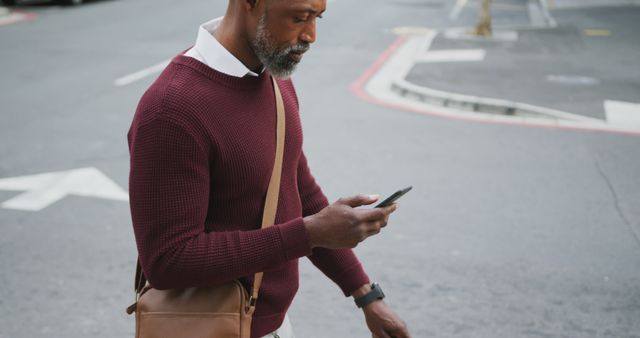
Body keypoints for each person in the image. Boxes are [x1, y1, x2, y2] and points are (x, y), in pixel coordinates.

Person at [126, 0, 412, 337]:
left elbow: (297, 187)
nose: (311, 35)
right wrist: (310, 233)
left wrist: (364, 293)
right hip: (209, 324)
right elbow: (167, 261)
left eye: (317, 18)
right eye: (298, 17)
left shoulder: (274, 78)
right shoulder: (172, 109)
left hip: (273, 325)